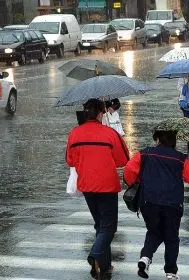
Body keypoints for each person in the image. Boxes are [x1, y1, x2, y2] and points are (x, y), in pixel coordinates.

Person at [123, 130, 189, 280]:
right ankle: (171, 272)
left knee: (154, 231)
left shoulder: (145, 154)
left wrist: (135, 182)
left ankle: (145, 258)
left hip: (149, 201)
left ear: (158, 139)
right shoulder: (180, 159)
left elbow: (128, 171)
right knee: (172, 237)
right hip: (172, 203)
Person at [66, 99, 130, 280]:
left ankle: (104, 264)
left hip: (86, 185)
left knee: (100, 225)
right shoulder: (110, 134)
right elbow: (123, 160)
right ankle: (95, 254)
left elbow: (70, 160)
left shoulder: (74, 134)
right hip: (107, 185)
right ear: (101, 114)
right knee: (109, 227)